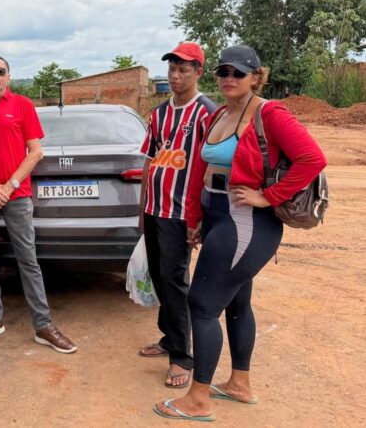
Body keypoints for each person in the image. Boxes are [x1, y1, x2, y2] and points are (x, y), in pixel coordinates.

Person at [153, 45, 326, 422]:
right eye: (223, 72)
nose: (229, 79)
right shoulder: (217, 116)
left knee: (201, 305)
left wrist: (269, 196)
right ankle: (240, 384)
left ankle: (198, 401)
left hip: (246, 223)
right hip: (218, 218)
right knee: (235, 302)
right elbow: (200, 169)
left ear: (255, 76)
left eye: (238, 73)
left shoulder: (269, 113)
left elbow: (313, 159)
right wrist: (197, 218)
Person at [0, 56, 76, 353]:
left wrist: (7, 186)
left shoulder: (23, 105)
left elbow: (35, 152)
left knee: (28, 259)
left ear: (8, 76)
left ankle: (43, 325)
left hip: (16, 195)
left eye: (0, 71)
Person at [138, 42, 217, 388]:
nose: (175, 75)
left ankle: (182, 357)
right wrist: (141, 210)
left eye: (183, 69)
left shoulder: (206, 113)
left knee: (175, 282)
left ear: (198, 72)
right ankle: (170, 338)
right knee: (159, 278)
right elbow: (149, 162)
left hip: (180, 213)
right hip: (154, 209)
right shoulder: (158, 114)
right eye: (172, 68)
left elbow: (212, 167)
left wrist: (198, 217)